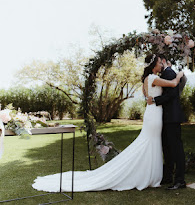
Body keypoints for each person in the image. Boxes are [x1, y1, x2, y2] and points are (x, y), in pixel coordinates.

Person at [32, 54, 184, 192]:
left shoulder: (147, 79)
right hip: (155, 116)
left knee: (152, 143)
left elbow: (149, 96)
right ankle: (148, 175)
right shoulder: (153, 78)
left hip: (153, 114)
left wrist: (154, 99)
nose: (161, 65)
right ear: (153, 65)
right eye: (159, 63)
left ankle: (156, 175)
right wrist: (180, 74)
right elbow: (174, 84)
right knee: (149, 143)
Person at [147, 54, 187, 190]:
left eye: (160, 62)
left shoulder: (169, 72)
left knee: (176, 149)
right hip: (164, 117)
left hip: (172, 117)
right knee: (167, 148)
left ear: (163, 62)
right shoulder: (161, 74)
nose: (160, 64)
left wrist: (155, 100)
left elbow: (172, 94)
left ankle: (180, 180)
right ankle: (168, 176)